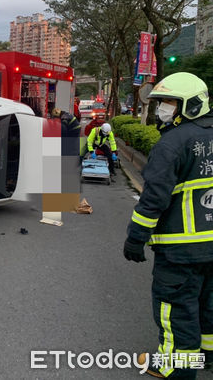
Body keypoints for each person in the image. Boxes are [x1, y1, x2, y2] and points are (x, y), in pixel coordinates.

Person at [123, 72, 213, 378]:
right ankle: (207, 357)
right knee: (208, 306)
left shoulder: (172, 144)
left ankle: (178, 370)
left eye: (169, 103)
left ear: (190, 105)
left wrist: (135, 238)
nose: (163, 109)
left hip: (181, 251)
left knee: (177, 313)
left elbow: (153, 200)